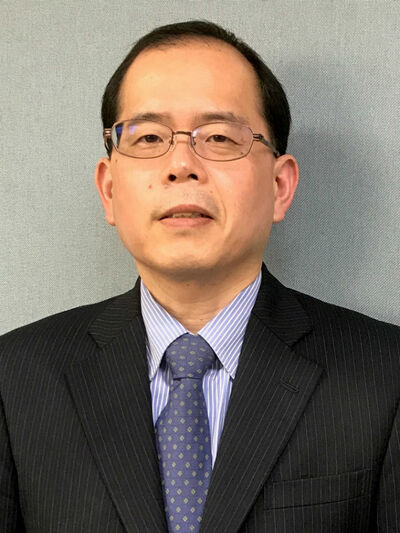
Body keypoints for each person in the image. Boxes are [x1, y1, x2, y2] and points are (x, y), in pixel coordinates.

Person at [0, 19, 399, 533]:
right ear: (109, 191)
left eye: (219, 137)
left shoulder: (385, 378)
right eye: (148, 137)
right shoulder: (15, 381)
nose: (181, 164)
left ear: (279, 186)